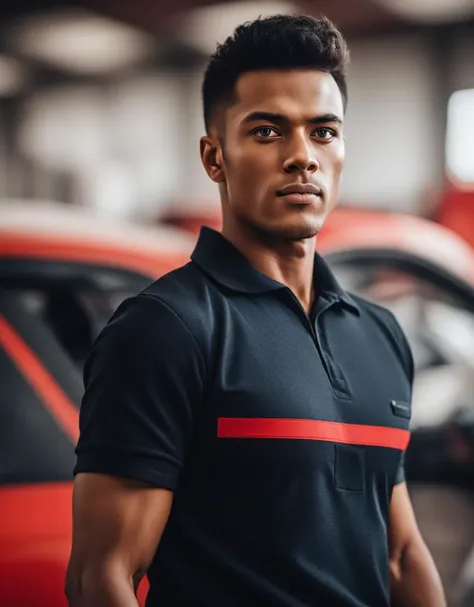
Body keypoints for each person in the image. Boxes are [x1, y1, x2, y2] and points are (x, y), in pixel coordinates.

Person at [65, 15, 446, 607]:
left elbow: (400, 556)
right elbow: (102, 576)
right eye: (268, 132)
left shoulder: (381, 333)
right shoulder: (167, 328)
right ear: (214, 157)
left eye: (323, 131)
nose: (302, 157)